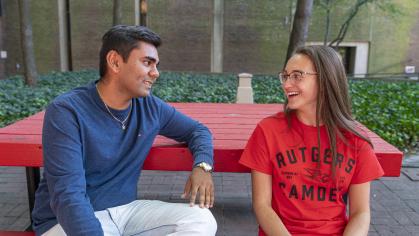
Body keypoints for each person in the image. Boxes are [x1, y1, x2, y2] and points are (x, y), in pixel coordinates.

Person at [32, 25, 217, 236]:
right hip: (66, 221)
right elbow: (68, 196)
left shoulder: (150, 107)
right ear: (115, 62)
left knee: (201, 220)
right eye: (147, 62)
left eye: (156, 65)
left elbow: (197, 130)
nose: (155, 73)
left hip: (126, 212)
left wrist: (202, 166)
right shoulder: (67, 111)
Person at [239, 45, 384, 236]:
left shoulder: (355, 140)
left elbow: (361, 212)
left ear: (325, 79)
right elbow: (262, 206)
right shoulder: (268, 131)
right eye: (285, 76)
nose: (286, 84)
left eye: (297, 76)